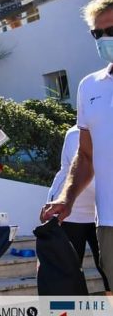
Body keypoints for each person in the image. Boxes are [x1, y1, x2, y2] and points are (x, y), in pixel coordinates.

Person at [42, 0, 113, 289]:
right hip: (109, 224)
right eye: (97, 34)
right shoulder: (89, 86)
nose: (104, 39)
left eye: (111, 31)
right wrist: (66, 198)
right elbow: (85, 156)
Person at [45, 125, 110, 293]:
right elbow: (87, 173)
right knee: (67, 278)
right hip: (70, 213)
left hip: (101, 214)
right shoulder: (78, 133)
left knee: (109, 275)